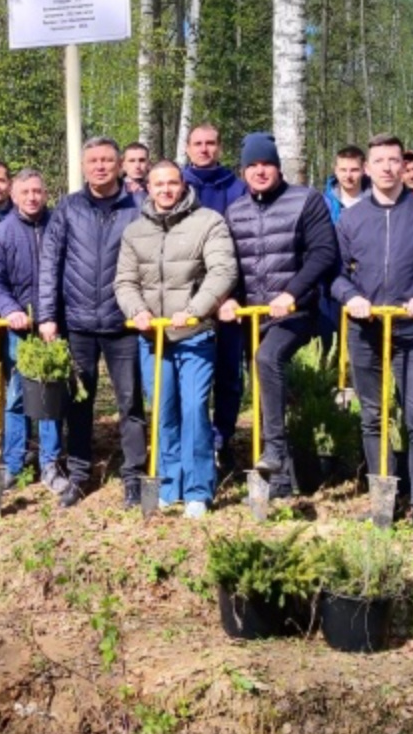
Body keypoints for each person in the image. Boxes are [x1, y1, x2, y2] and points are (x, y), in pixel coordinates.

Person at [332, 134, 413, 529]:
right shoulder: (351, 218)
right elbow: (334, 274)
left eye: (394, 160)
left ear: (405, 167)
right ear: (367, 169)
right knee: (373, 417)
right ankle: (382, 507)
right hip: (366, 329)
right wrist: (351, 297)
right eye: (379, 161)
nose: (387, 167)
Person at [115, 160, 238, 518]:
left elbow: (223, 269)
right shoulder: (135, 231)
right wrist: (136, 310)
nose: (166, 190)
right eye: (158, 185)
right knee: (163, 412)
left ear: (183, 185)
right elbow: (124, 280)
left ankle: (199, 488)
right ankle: (170, 485)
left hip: (195, 335)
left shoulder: (208, 222)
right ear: (148, 188)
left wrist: (198, 309)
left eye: (172, 183)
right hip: (153, 338)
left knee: (195, 409)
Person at [221, 132, 340, 498]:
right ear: (243, 171)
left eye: (266, 164)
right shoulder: (235, 211)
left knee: (267, 358)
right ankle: (282, 484)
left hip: (295, 313)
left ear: (278, 166)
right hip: (254, 317)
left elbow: (324, 253)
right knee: (262, 389)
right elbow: (230, 266)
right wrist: (226, 298)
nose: (260, 171)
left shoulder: (305, 201)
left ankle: (274, 449)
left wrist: (292, 294)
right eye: (252, 166)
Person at [37, 137, 144, 508]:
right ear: (84, 167)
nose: (100, 166)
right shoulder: (68, 208)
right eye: (93, 161)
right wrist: (48, 315)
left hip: (123, 325)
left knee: (130, 403)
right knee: (78, 403)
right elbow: (50, 263)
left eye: (107, 160)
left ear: (119, 165)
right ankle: (80, 473)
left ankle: (134, 475)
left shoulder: (138, 207)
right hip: (78, 324)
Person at [0, 169, 62, 492]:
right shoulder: (1, 233)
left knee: (50, 394)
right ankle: (14, 461)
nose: (32, 197)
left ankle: (51, 462)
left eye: (37, 191)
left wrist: (53, 315)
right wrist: (10, 309)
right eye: (25, 192)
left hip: (54, 326)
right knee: (16, 396)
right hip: (21, 329)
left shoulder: (58, 225)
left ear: (45, 193)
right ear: (13, 196)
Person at [180, 123, 250, 470]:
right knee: (190, 379)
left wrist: (227, 296)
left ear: (219, 148)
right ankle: (190, 444)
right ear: (188, 148)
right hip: (185, 299)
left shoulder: (237, 189)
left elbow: (242, 248)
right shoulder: (176, 187)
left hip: (228, 300)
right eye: (198, 143)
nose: (204, 149)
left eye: (210, 143)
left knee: (228, 376)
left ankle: (223, 440)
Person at [323, 145, 368, 223]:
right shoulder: (324, 204)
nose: (348, 176)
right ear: (336, 170)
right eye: (343, 170)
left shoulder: (376, 202)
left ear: (364, 170)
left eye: (354, 170)